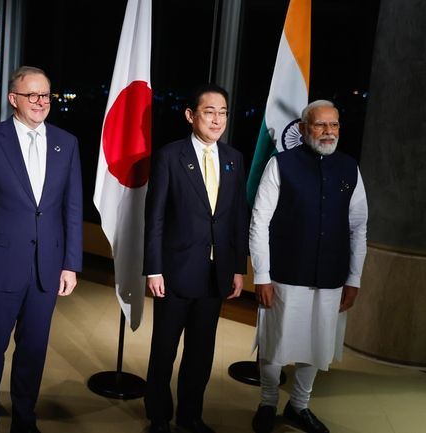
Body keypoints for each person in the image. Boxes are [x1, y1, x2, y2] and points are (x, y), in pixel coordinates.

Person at [0, 66, 83, 433]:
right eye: (32, 95)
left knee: (32, 351)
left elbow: (72, 208)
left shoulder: (67, 143)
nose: (40, 102)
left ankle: (24, 421)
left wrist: (71, 264)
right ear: (13, 99)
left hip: (47, 268)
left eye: (45, 95)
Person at [249, 100, 368, 433]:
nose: (328, 132)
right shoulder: (281, 164)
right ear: (303, 128)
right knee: (274, 344)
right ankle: (268, 402)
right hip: (284, 274)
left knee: (317, 344)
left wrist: (354, 277)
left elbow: (359, 225)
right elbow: (259, 222)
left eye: (334, 125)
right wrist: (262, 275)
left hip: (331, 276)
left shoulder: (349, 167)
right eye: (320, 125)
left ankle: (298, 406)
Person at [143, 84, 249, 433]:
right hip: (174, 272)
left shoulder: (234, 159)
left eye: (223, 112)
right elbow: (155, 217)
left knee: (201, 354)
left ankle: (190, 415)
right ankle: (159, 416)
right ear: (191, 115)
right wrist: (154, 269)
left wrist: (237, 268)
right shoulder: (170, 156)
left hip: (215, 275)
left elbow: (236, 218)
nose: (217, 119)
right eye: (209, 111)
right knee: (164, 351)